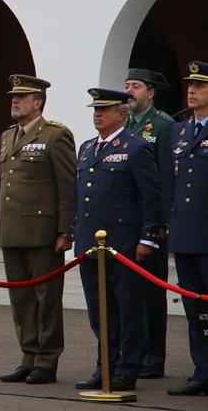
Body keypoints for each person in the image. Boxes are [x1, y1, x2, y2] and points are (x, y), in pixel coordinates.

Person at [71, 88, 162, 393]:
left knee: (128, 311)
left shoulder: (135, 148)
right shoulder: (86, 149)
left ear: (122, 114)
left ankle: (127, 368)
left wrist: (148, 238)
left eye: (105, 109)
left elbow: (150, 196)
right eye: (95, 109)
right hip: (90, 245)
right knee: (100, 312)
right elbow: (79, 196)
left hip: (122, 244)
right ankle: (105, 367)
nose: (98, 113)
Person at [0, 75, 75, 385]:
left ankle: (47, 360)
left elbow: (67, 186)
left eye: (22, 96)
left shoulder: (55, 135)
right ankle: (28, 356)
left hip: (43, 232)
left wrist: (65, 230)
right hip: (12, 230)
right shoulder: (7, 136)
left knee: (47, 298)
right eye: (13, 96)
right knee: (21, 299)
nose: (14, 100)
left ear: (37, 102)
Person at [123, 68, 175, 380]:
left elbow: (166, 177)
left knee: (152, 293)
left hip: (150, 220)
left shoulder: (163, 125)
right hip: (127, 220)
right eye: (127, 85)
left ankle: (154, 357)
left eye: (136, 86)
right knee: (131, 292)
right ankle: (136, 352)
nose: (129, 90)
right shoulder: (126, 123)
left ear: (150, 93)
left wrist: (162, 223)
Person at [165, 61, 208, 396]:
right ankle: (202, 369)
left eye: (200, 86)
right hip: (185, 232)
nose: (191, 91)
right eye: (189, 86)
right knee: (195, 309)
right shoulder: (180, 130)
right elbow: (172, 183)